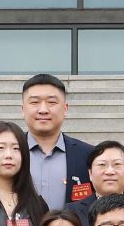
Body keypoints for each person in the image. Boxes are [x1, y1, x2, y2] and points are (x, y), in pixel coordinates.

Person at [20, 72, 95, 211]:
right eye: (35, 102)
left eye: (52, 102)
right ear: (23, 109)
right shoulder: (10, 153)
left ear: (65, 109)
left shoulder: (88, 155)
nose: (43, 110)